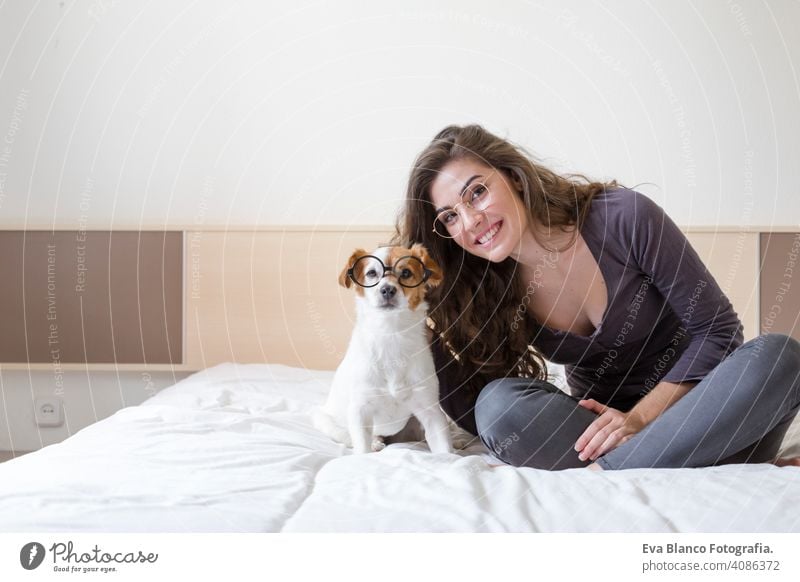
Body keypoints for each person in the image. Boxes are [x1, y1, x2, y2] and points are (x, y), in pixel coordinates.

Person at [390, 123, 800, 471]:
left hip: (711, 418)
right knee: (498, 405)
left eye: (476, 192)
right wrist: (413, 331)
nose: (471, 219)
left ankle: (612, 476)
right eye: (449, 216)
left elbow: (719, 331)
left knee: (782, 357)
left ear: (513, 175)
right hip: (595, 434)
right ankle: (644, 467)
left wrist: (638, 420)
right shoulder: (489, 288)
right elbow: (483, 419)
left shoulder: (623, 218)